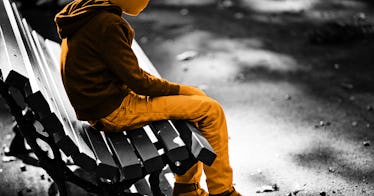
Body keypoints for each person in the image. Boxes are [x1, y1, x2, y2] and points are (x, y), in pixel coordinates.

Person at [55, 0, 241, 195]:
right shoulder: (108, 24)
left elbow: (129, 73)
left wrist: (183, 91)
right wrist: (179, 89)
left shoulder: (87, 10)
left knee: (197, 101)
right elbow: (139, 82)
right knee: (210, 110)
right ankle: (222, 191)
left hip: (102, 105)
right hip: (115, 111)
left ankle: (187, 188)